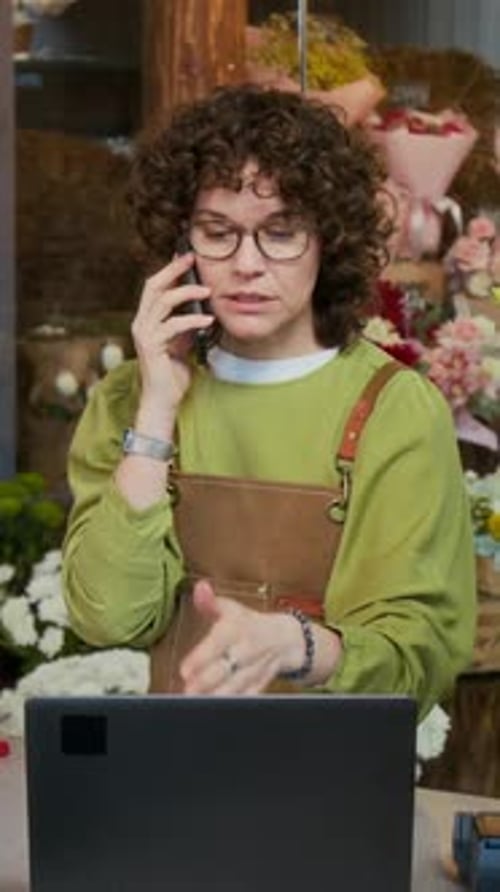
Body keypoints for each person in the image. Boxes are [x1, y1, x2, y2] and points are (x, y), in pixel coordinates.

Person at [62, 84, 476, 717]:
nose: (246, 264)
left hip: (335, 784)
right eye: (217, 232)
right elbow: (108, 617)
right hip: (173, 775)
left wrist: (295, 643)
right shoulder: (132, 396)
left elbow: (419, 664)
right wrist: (156, 414)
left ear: (328, 240)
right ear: (181, 246)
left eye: (280, 232)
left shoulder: (394, 410)